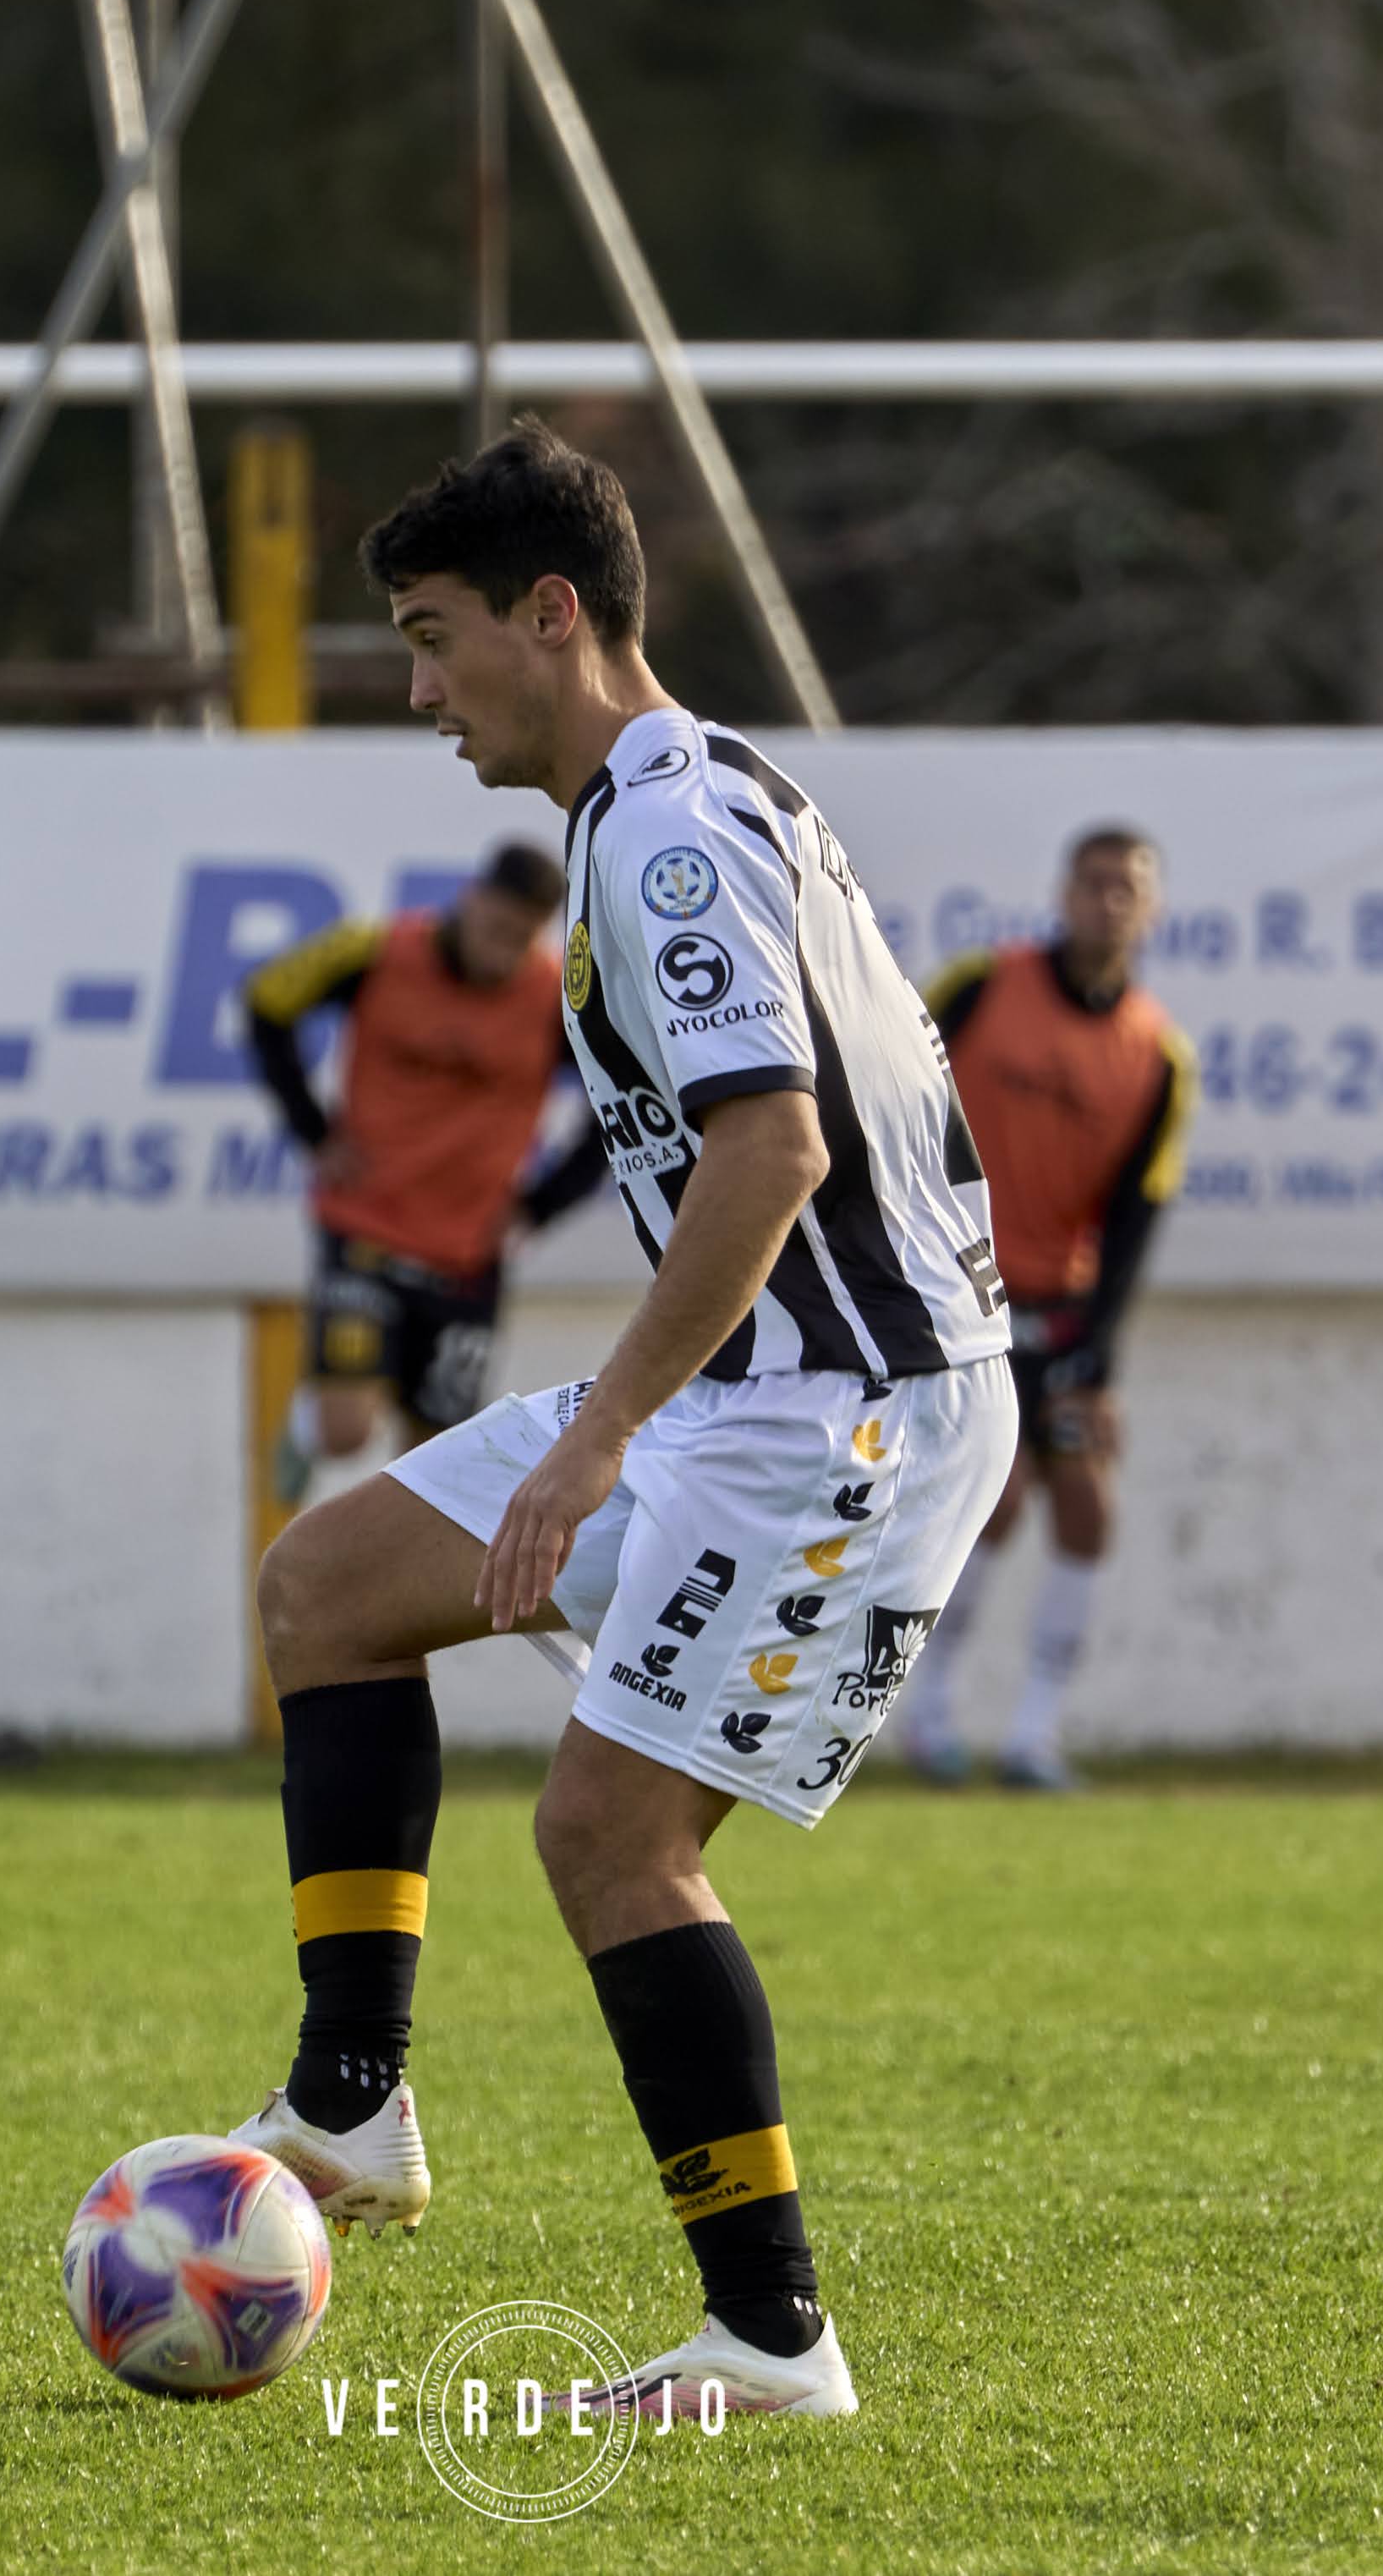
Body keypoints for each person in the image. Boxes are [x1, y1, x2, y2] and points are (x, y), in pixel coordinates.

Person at [228, 420, 1016, 2420]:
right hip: (750, 1382)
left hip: (847, 1411)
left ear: (551, 615)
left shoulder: (664, 833)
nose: (418, 695)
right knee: (326, 1586)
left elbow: (771, 1148)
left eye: (431, 640)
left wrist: (590, 1447)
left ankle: (770, 2338)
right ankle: (349, 2103)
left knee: (609, 1834)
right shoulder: (667, 799)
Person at [893, 827, 1197, 1789]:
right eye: (1093, 882)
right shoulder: (982, 986)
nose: (1108, 901)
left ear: (1152, 911)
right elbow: (892, 1091)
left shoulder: (1159, 1054)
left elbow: (1137, 1213)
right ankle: (927, 1715)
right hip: (954, 1286)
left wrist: (1101, 1350)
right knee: (998, 1498)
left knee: (1088, 1507)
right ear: (1063, 893)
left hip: (1060, 1308)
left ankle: (1033, 1736)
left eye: (1127, 887)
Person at [244, 846, 606, 1495]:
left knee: (435, 1463)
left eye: (521, 939)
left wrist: (540, 1205)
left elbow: (616, 1103)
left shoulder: (556, 999)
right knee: (346, 1430)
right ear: (470, 900)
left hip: (468, 1254)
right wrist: (314, 1134)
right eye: (495, 929)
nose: (502, 952)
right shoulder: (374, 951)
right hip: (365, 1225)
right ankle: (306, 1427)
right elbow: (265, 1001)